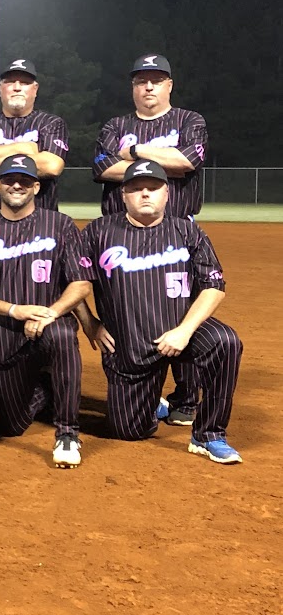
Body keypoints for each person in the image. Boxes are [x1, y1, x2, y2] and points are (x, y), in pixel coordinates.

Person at [73, 158, 242, 464]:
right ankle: (152, 403)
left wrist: (185, 331)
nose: (145, 194)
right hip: (129, 343)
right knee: (128, 431)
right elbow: (72, 281)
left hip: (181, 331)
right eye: (136, 188)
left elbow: (214, 285)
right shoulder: (98, 232)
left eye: (152, 187)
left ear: (167, 193)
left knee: (225, 342)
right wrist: (90, 324)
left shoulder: (187, 231)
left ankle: (209, 435)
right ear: (123, 195)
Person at [92, 54, 208, 425]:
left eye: (156, 80)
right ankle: (136, 387)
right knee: (120, 314)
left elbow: (188, 161)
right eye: (141, 80)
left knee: (180, 311)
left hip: (176, 234)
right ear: (133, 87)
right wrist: (163, 161)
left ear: (169, 85)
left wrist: (135, 152)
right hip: (119, 235)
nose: (148, 86)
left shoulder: (189, 120)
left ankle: (186, 397)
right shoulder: (116, 124)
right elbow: (103, 167)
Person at [0, 155, 92, 467]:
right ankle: (47, 388)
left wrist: (51, 313)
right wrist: (15, 310)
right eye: (9, 180)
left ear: (36, 187)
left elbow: (81, 284)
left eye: (25, 181)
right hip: (3, 334)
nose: (17, 185)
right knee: (11, 425)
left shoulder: (60, 225)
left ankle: (67, 433)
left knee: (62, 336)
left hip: (48, 326)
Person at [0, 58, 69, 216]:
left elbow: (52, 166)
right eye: (10, 82)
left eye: (25, 83)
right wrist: (23, 148)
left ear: (35, 89)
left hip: (42, 224)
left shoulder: (51, 123)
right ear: (0, 88)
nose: (17, 87)